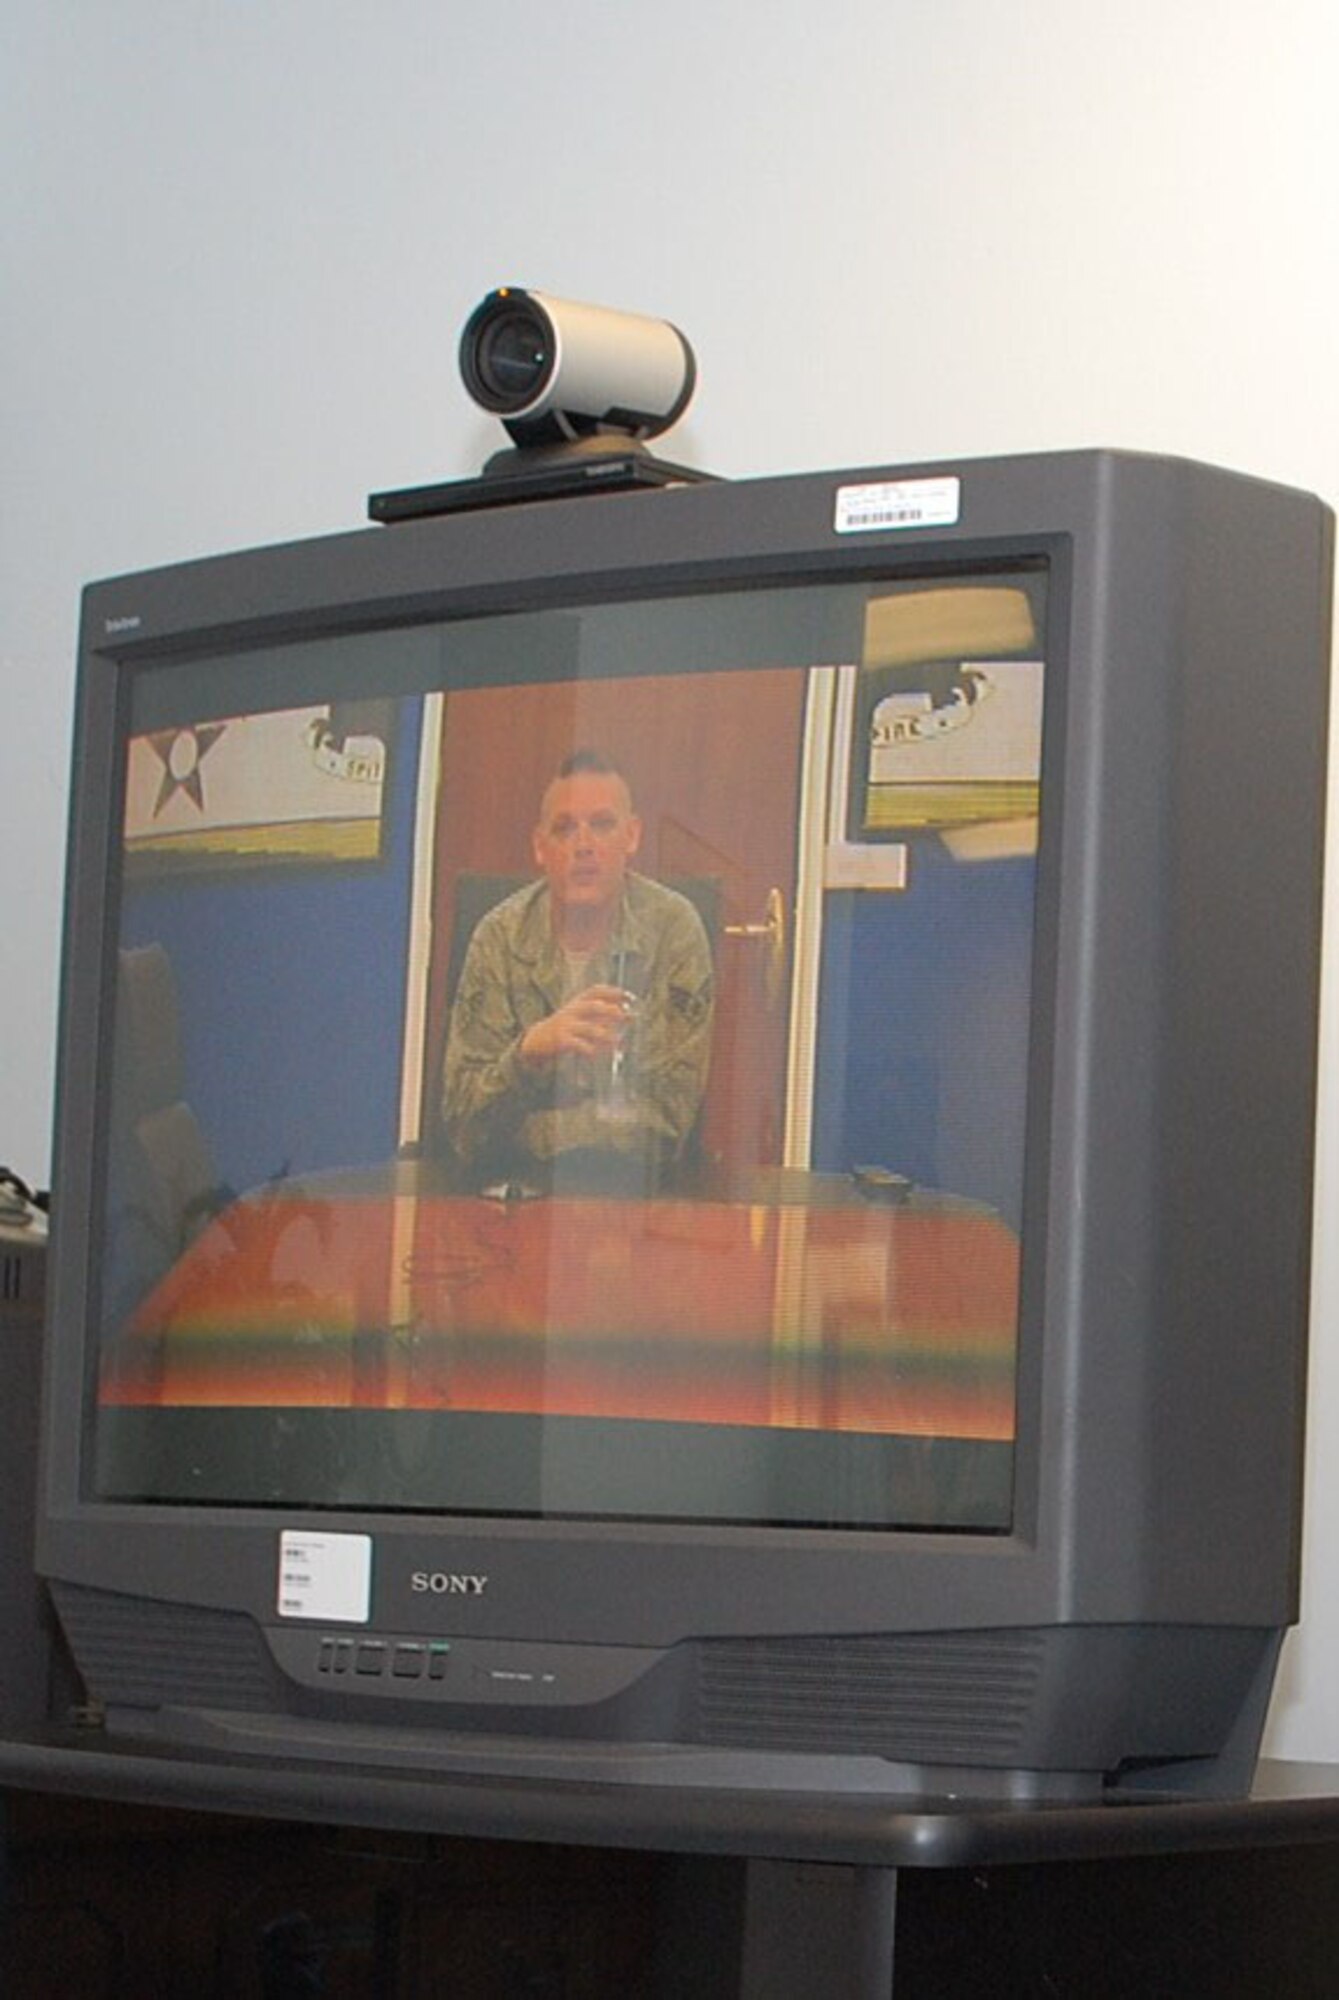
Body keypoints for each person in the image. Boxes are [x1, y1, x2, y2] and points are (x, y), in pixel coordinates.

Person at [441, 750, 714, 1192]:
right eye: (564, 828)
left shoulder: (672, 931)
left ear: (633, 836)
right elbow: (465, 1126)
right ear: (539, 846)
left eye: (602, 825)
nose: (583, 845)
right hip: (508, 1201)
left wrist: (530, 1135)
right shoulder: (499, 936)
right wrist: (529, 1052)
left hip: (636, 1205)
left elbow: (664, 1125)